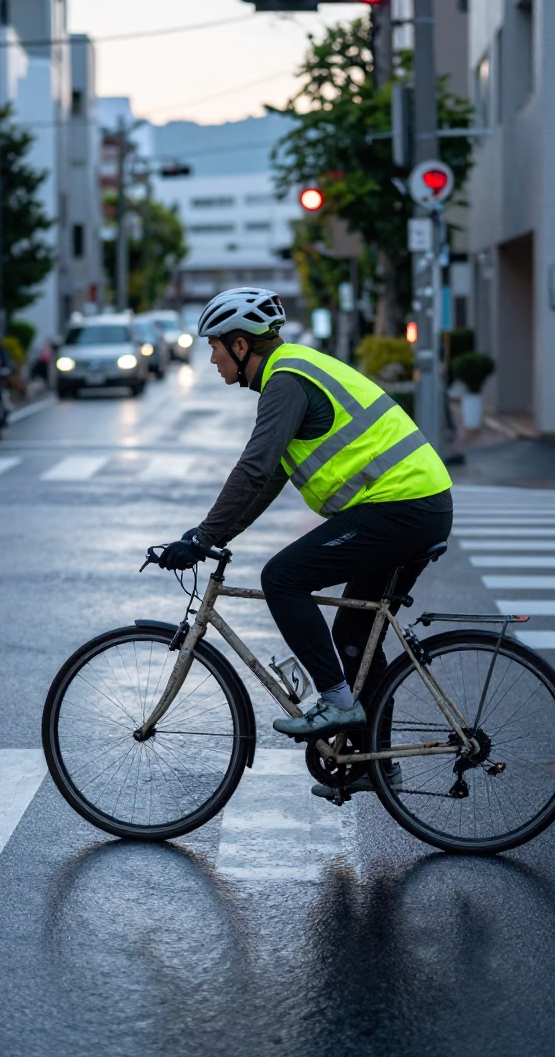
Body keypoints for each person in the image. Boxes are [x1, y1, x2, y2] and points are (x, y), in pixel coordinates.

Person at [157, 287, 453, 798]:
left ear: (242, 345)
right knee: (354, 639)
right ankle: (372, 763)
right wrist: (211, 536)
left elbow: (252, 469)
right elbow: (266, 481)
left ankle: (337, 701)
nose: (210, 357)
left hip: (401, 507)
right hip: (412, 506)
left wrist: (202, 537)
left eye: (215, 346)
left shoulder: (285, 380)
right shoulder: (288, 374)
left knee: (283, 577)